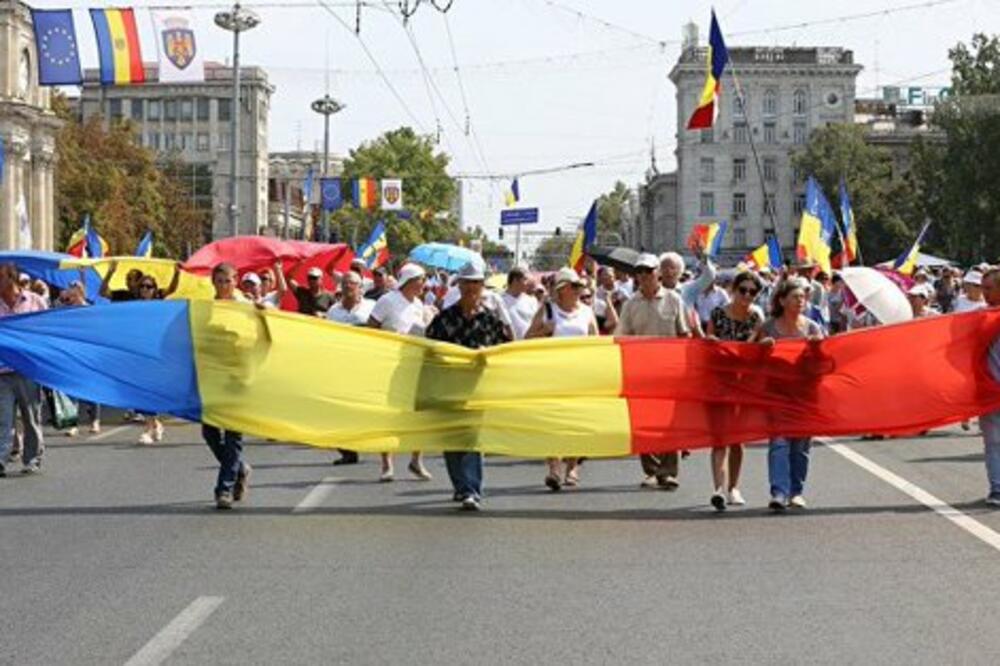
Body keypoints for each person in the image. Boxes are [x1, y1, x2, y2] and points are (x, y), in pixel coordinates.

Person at [425, 263, 512, 510]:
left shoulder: (491, 321)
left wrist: (489, 355)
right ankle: (460, 486)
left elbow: (506, 350)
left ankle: (471, 490)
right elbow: (429, 349)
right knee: (452, 439)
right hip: (450, 388)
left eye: (476, 283)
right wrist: (448, 358)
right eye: (467, 283)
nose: (471, 288)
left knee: (472, 439)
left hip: (478, 389)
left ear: (482, 287)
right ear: (459, 286)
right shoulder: (444, 318)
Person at [615, 253, 691, 490]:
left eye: (648, 271)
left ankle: (668, 471)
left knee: (670, 422)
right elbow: (621, 337)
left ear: (657, 272)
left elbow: (684, 333)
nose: (643, 276)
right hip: (641, 371)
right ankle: (650, 470)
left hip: (669, 370)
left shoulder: (674, 300)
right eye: (639, 272)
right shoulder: (630, 304)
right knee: (643, 422)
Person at [752, 277, 825, 512]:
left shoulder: (813, 328)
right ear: (782, 300)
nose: (800, 301)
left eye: (803, 297)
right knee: (780, 442)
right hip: (777, 393)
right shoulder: (769, 327)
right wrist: (762, 348)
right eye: (795, 297)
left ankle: (796, 491)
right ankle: (779, 492)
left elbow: (824, 362)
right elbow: (750, 356)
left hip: (804, 394)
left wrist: (817, 348)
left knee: (801, 445)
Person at [526, 266, 599, 491]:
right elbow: (527, 337)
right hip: (552, 374)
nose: (578, 290)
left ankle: (573, 466)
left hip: (580, 374)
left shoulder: (586, 312)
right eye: (574, 286)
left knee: (576, 422)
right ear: (563, 289)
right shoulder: (547, 310)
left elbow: (596, 341)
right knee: (552, 422)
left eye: (579, 286)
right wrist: (544, 330)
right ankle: (554, 468)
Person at [704, 270, 765, 510]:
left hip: (744, 384)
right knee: (720, 437)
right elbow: (707, 342)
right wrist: (710, 342)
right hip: (718, 382)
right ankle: (718, 488)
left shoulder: (757, 318)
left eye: (753, 291)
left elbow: (755, 349)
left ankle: (734, 488)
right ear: (733, 290)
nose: (747, 295)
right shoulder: (718, 314)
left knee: (737, 439)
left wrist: (763, 344)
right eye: (743, 290)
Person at [368, 264, 434, 481]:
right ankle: (387, 464)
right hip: (389, 364)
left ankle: (416, 460)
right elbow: (371, 327)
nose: (423, 284)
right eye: (420, 280)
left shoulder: (419, 304)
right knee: (390, 415)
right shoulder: (387, 300)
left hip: (414, 365)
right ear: (408, 281)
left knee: (419, 414)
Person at [202, 263, 252, 509]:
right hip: (212, 377)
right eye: (219, 281)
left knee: (233, 436)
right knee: (209, 432)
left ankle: (224, 489)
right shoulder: (207, 308)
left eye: (228, 281)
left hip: (237, 377)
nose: (224, 286)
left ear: (236, 280)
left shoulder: (245, 307)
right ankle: (239, 468)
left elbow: (258, 334)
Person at [0, 263, 48, 476]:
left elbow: (49, 330)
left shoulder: (34, 301)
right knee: (3, 418)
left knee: (30, 418)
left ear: (11, 279)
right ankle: (1, 459)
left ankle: (32, 458)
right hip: (2, 372)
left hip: (28, 370)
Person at [57, 281, 102, 436]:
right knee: (71, 389)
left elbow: (96, 332)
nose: (72, 295)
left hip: (88, 353)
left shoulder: (89, 309)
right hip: (71, 354)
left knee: (91, 387)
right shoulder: (66, 310)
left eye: (75, 292)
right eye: (70, 292)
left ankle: (95, 420)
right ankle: (73, 424)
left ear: (81, 292)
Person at [978, 268, 1000, 506]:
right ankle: (998, 489)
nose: (984, 293)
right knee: (994, 442)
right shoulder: (980, 318)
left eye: (989, 288)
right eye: (983, 288)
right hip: (989, 390)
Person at [500, 267, 539, 341]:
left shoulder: (532, 300)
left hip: (529, 346)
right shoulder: (500, 300)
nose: (528, 283)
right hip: (509, 347)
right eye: (525, 279)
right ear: (515, 280)